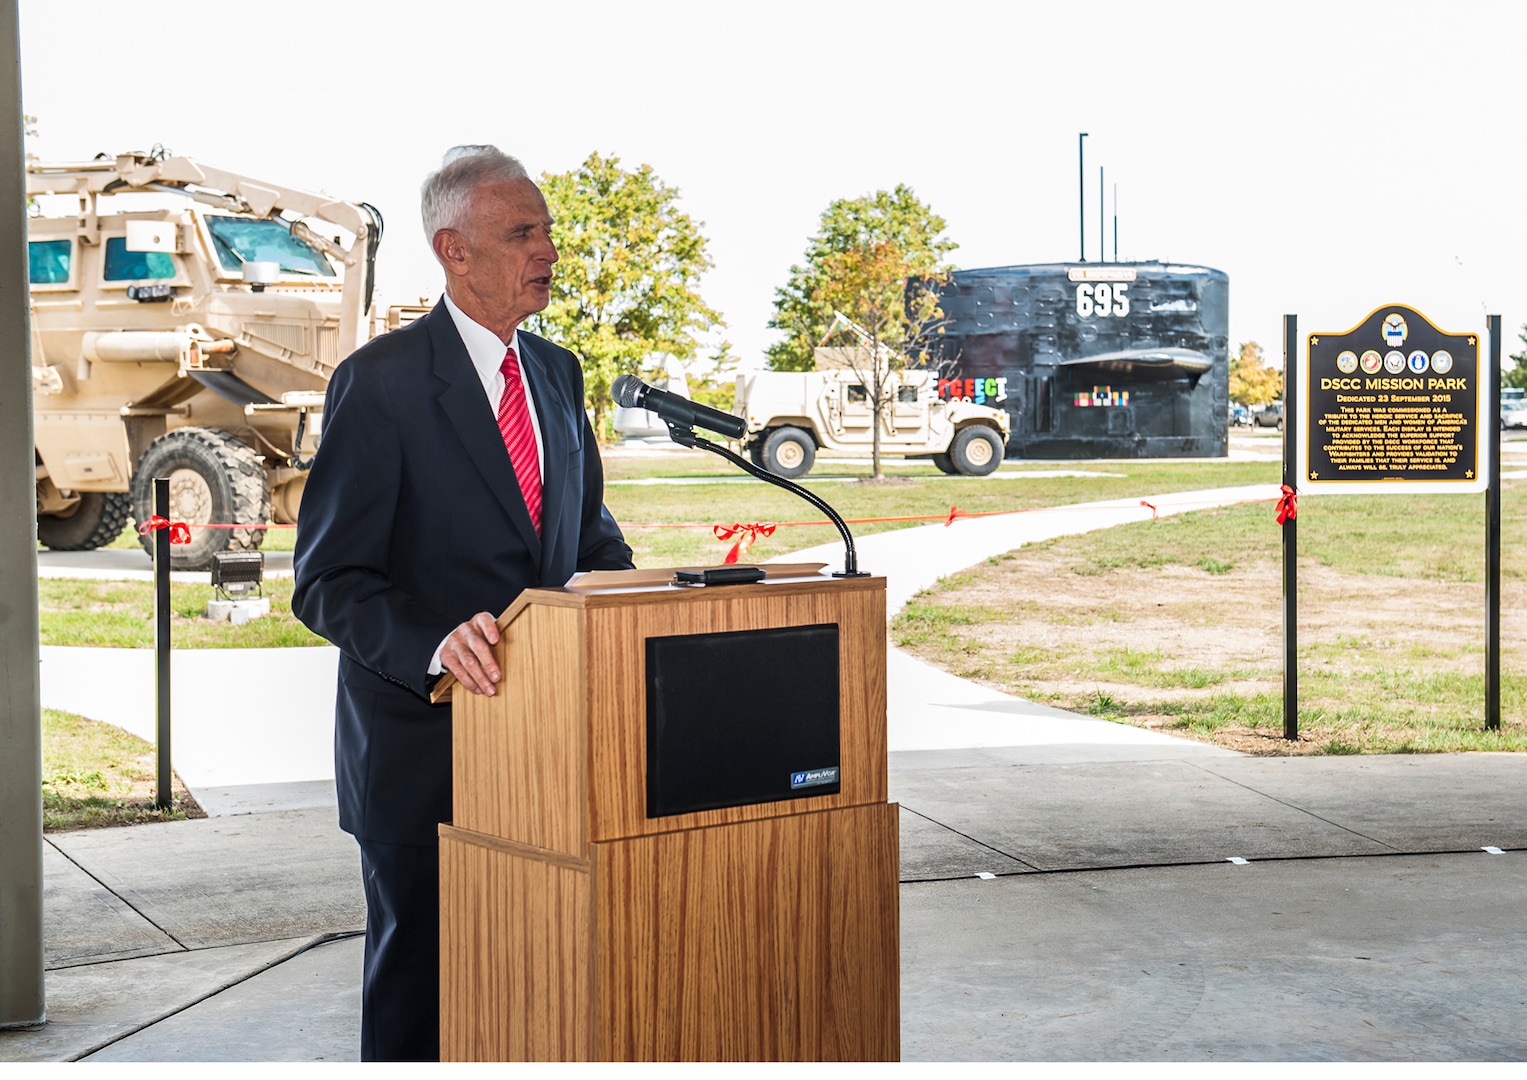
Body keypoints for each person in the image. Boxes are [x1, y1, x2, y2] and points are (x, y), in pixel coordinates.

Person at [291, 145, 634, 1061]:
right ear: (455, 250)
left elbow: (586, 537)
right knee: (424, 1003)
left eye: (547, 229)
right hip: (421, 755)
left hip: (548, 754)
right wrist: (435, 642)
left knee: (528, 990)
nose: (547, 250)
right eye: (522, 233)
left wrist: (619, 592)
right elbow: (328, 583)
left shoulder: (557, 375)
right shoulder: (383, 383)